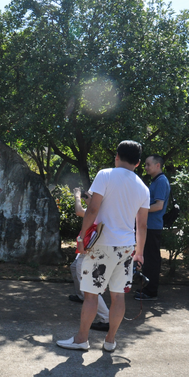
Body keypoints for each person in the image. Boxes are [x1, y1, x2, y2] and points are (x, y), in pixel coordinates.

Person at [57, 141, 150, 353]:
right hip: (126, 247)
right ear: (137, 163)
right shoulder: (143, 187)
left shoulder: (105, 175)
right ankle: (110, 341)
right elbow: (142, 225)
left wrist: (82, 236)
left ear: (117, 156)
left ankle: (81, 339)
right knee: (118, 296)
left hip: (102, 245)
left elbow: (92, 210)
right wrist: (140, 253)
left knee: (91, 294)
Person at [68, 187, 111, 331]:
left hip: (90, 252)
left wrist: (77, 197)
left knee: (90, 288)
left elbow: (79, 211)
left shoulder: (97, 211)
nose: (88, 197)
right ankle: (83, 297)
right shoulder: (102, 210)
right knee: (77, 271)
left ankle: (106, 318)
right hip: (89, 251)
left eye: (91, 196)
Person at [134, 154, 170, 301]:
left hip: (153, 226)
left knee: (152, 260)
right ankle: (147, 288)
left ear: (158, 165)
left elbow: (159, 205)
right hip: (149, 225)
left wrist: (140, 209)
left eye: (148, 164)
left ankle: (151, 291)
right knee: (148, 259)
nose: (146, 167)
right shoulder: (156, 180)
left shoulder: (161, 181)